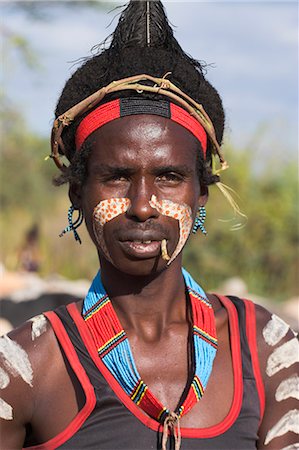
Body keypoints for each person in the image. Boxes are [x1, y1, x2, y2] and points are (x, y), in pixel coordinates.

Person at [0, 2, 298, 449]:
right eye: (116, 176)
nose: (142, 206)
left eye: (169, 178)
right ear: (77, 194)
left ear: (201, 195)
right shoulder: (27, 367)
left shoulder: (265, 349)